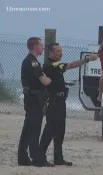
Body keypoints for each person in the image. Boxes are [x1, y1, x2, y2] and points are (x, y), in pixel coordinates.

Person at [39, 43, 98, 165]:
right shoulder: (51, 65)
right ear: (50, 53)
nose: (61, 53)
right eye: (58, 51)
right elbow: (71, 65)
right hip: (54, 102)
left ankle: (58, 158)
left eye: (61, 50)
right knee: (50, 129)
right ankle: (40, 156)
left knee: (60, 130)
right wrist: (87, 59)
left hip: (60, 101)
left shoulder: (55, 65)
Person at [18, 37, 53, 167]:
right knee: (34, 129)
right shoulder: (32, 62)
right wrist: (51, 80)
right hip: (34, 99)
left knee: (28, 129)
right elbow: (44, 80)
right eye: (41, 45)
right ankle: (37, 159)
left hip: (32, 98)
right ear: (34, 46)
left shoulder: (32, 61)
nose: (43, 48)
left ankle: (22, 157)